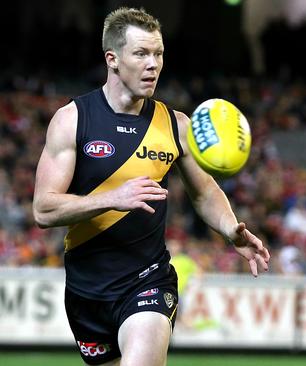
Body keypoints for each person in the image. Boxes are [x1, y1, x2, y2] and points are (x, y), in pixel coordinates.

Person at [32, 7, 270, 366]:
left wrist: (229, 229)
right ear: (112, 59)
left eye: (158, 53)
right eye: (141, 53)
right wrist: (113, 198)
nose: (153, 64)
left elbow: (204, 192)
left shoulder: (176, 125)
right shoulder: (72, 120)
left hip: (149, 281)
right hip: (87, 291)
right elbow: (43, 209)